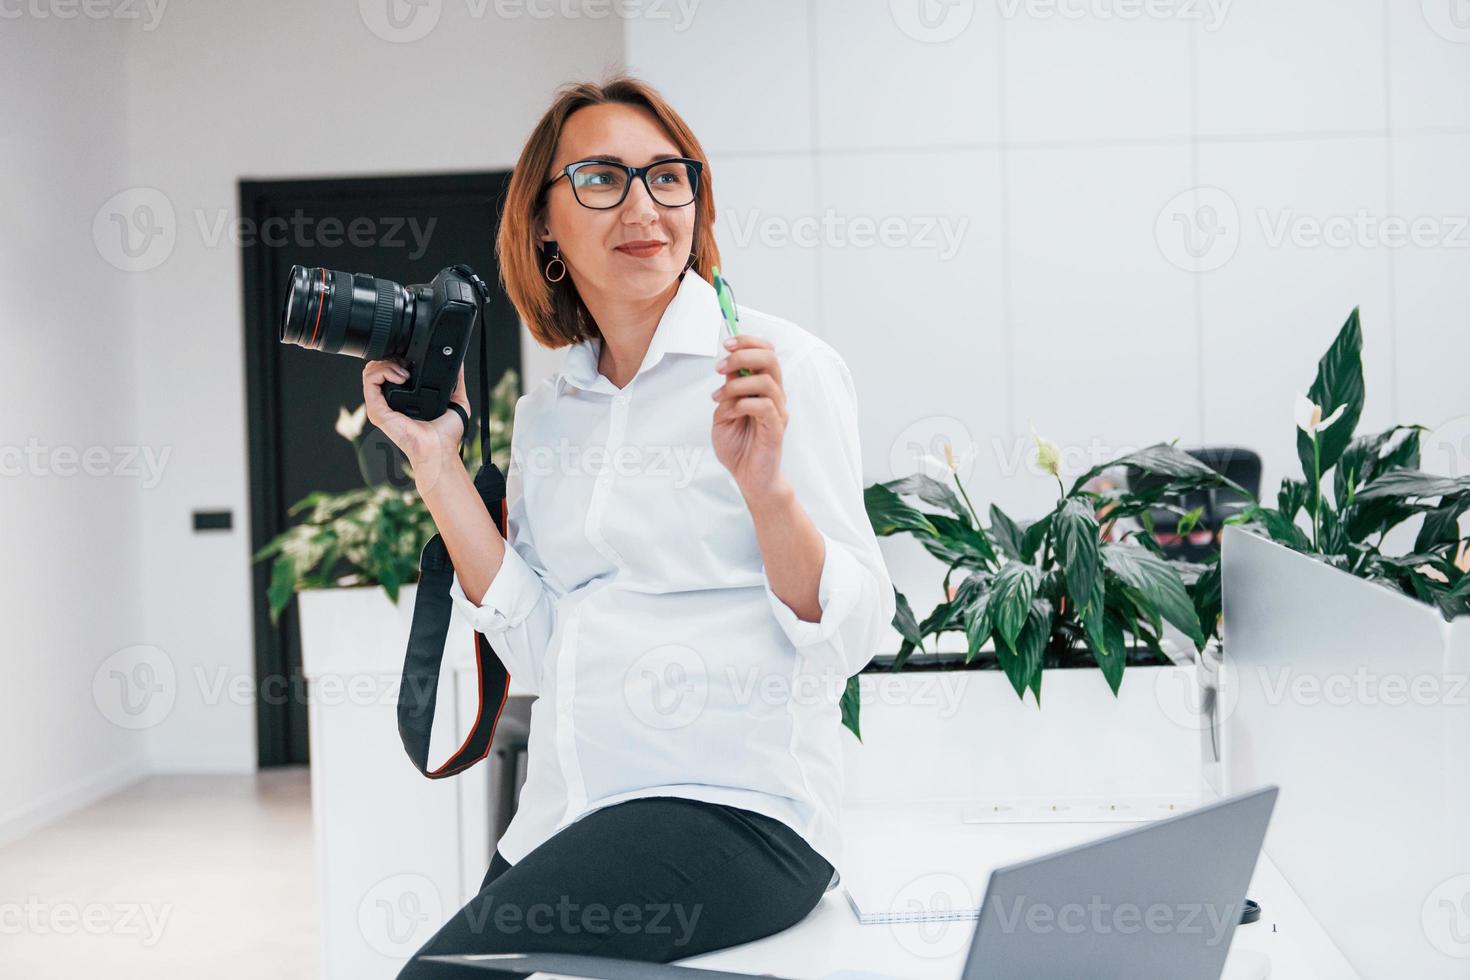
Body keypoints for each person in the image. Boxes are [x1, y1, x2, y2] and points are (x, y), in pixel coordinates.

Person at [365, 75, 895, 978]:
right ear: (544, 223)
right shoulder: (552, 409)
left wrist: (769, 494)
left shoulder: (777, 369)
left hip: (738, 813)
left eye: (666, 176)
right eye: (602, 180)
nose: (644, 207)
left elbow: (856, 633)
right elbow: (535, 652)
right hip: (569, 815)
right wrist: (436, 463)